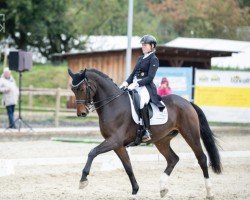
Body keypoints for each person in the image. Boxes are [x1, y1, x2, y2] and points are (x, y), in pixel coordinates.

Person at [120, 34, 165, 142]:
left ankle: (146, 130)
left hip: (146, 87)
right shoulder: (140, 58)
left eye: (145, 45)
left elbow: (150, 77)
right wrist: (125, 83)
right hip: (134, 85)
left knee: (141, 102)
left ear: (152, 46)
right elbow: (133, 74)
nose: (143, 46)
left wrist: (136, 84)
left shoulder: (154, 59)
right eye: (142, 45)